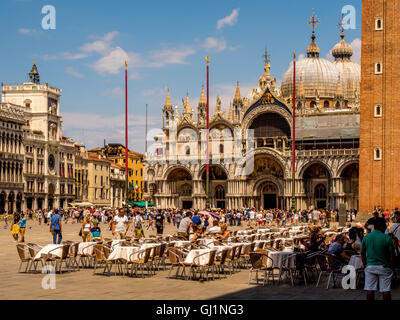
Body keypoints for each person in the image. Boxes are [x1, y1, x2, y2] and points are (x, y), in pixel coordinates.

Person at [361, 217, 394, 301]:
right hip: (384, 266)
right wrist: (390, 264)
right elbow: (391, 254)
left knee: (370, 289)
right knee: (385, 290)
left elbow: (362, 253)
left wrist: (365, 265)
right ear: (382, 227)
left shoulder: (366, 237)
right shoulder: (387, 238)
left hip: (370, 266)